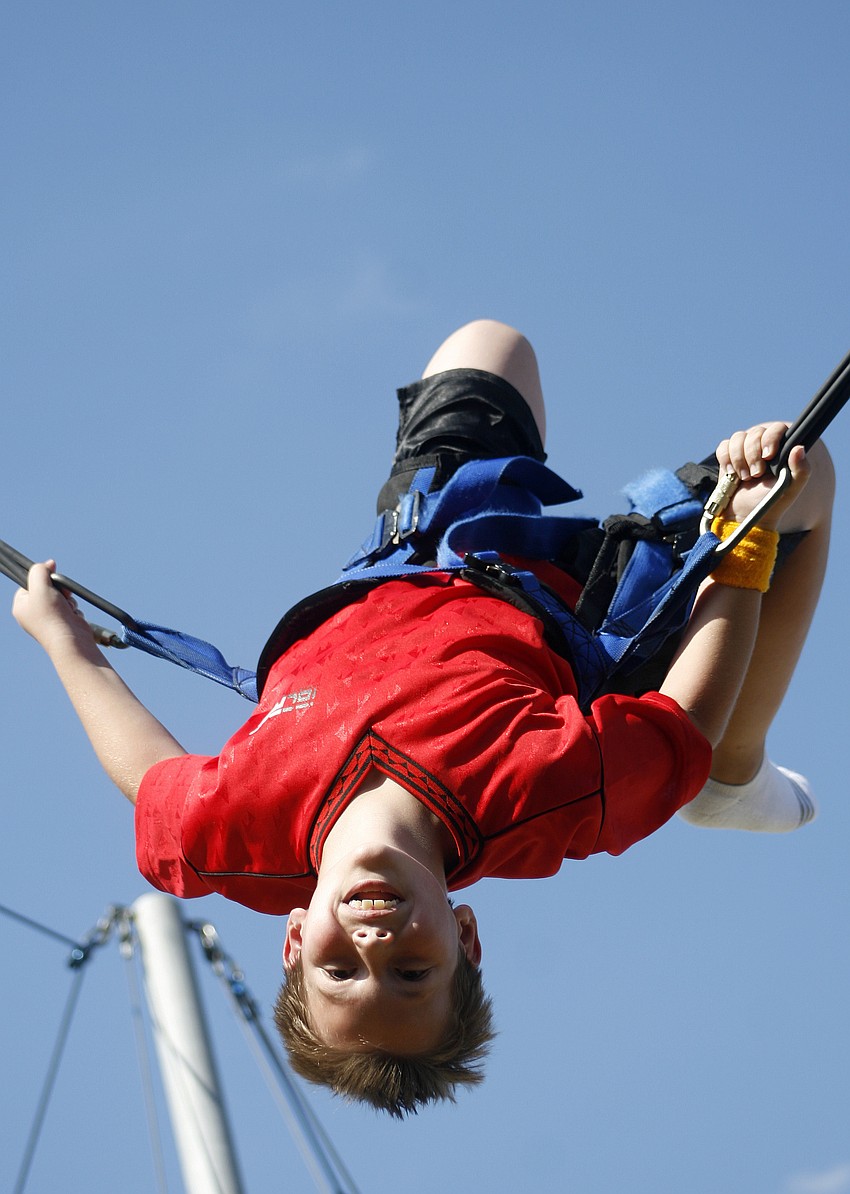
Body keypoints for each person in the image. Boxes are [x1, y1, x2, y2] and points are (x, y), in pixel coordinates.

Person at [11, 320, 833, 1118]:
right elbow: (680, 720)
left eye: (340, 972)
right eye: (412, 971)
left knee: (489, 343)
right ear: (465, 936)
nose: (374, 947)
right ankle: (735, 774)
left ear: (295, 941)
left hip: (431, 544)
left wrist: (66, 642)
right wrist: (743, 540)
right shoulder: (540, 798)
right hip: (587, 608)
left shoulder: (232, 836)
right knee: (807, 470)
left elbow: (149, 775)